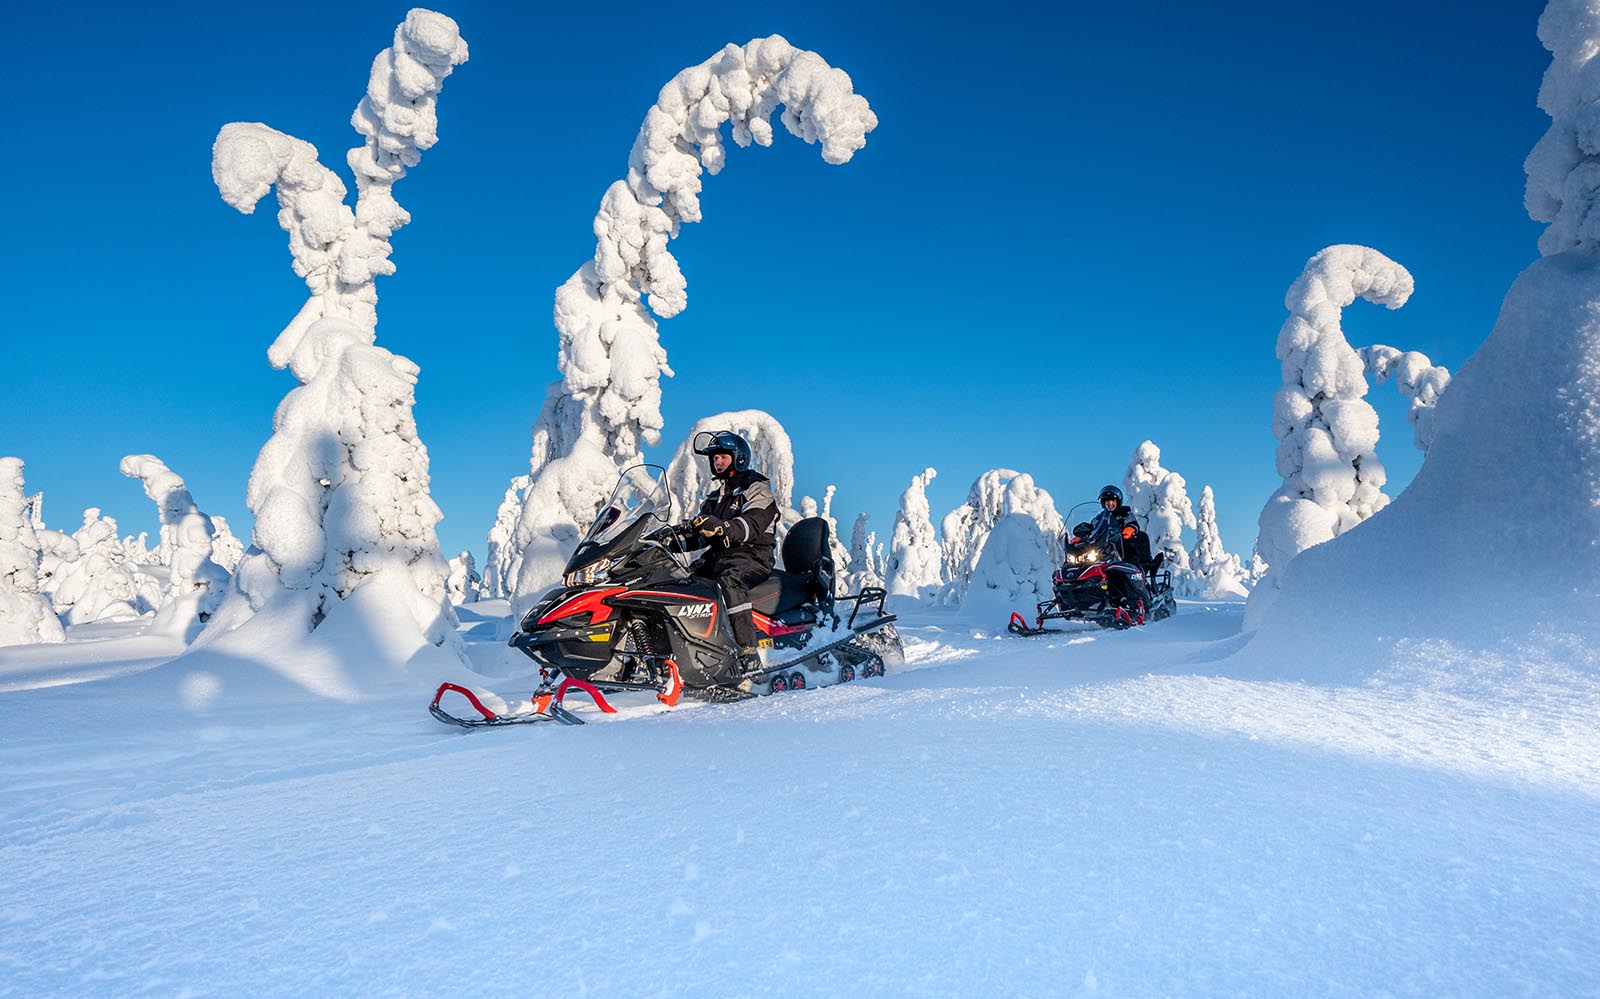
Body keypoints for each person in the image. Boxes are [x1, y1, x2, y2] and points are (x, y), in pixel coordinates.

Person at [678, 430, 779, 675]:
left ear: (738, 458)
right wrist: (675, 537)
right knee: (685, 583)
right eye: (714, 458)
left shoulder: (756, 488)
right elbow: (703, 533)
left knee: (729, 580)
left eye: (722, 456)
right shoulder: (715, 496)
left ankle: (747, 651)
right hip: (720, 557)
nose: (717, 462)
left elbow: (752, 524)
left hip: (752, 557)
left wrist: (723, 527)